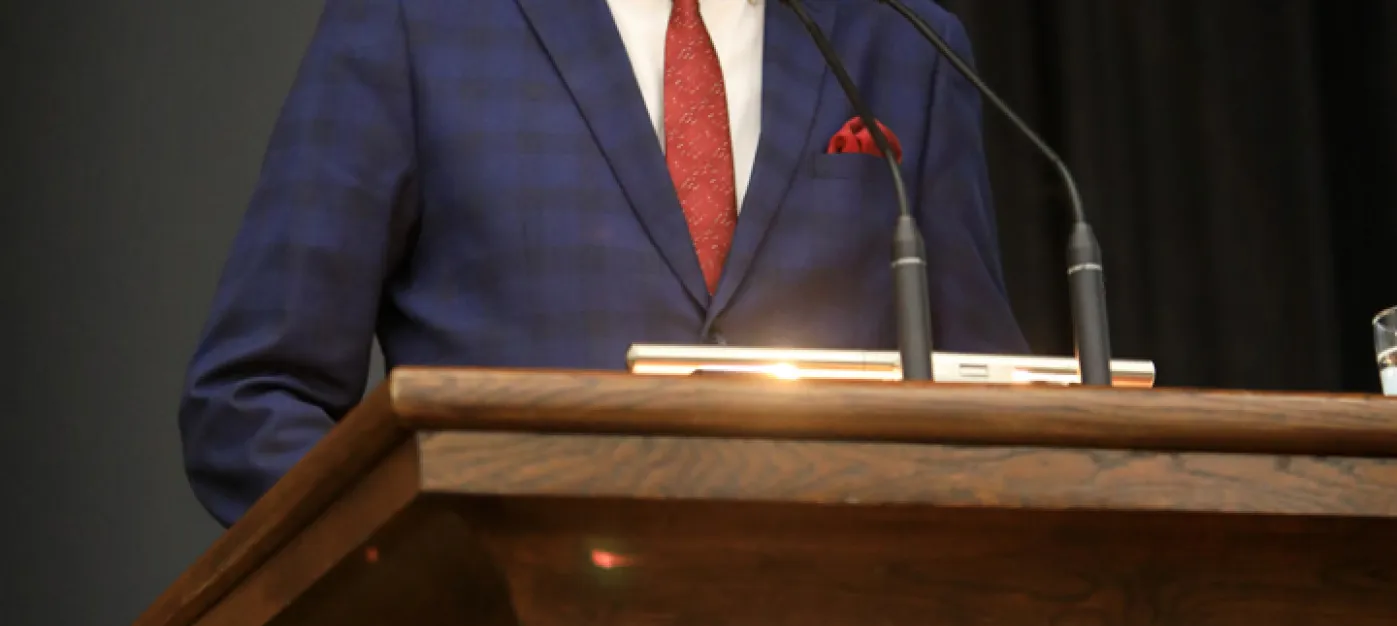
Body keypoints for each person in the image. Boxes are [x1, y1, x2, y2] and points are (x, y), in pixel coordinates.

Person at [180, 0, 1029, 527]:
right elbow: (252, 401)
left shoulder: (903, 40)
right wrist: (423, 575)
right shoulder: (416, 22)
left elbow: (992, 409)